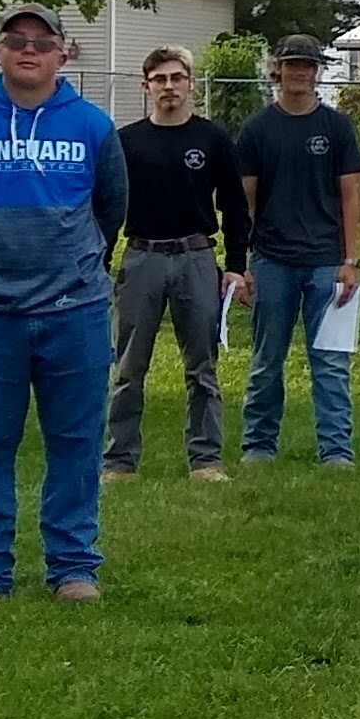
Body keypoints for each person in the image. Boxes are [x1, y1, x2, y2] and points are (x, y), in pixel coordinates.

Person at [0, 2, 126, 600]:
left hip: (76, 313)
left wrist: (77, 267)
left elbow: (111, 209)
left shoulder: (93, 126)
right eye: (16, 41)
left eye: (42, 41)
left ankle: (73, 566)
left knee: (76, 442)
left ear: (63, 52)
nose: (28, 50)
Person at [103, 44, 249, 484]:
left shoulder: (212, 139)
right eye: (160, 79)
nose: (169, 87)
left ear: (190, 84)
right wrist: (100, 261)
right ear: (147, 87)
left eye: (177, 78)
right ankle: (119, 461)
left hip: (197, 258)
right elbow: (108, 206)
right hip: (142, 257)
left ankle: (206, 460)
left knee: (202, 366)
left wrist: (236, 267)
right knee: (129, 367)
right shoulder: (126, 142)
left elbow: (236, 208)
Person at [237, 35, 360, 469]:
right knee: (266, 360)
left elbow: (351, 196)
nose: (299, 73)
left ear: (318, 72)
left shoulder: (337, 128)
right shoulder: (257, 129)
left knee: (330, 363)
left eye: (307, 66)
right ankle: (259, 445)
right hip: (272, 261)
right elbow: (246, 203)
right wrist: (244, 264)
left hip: (327, 264)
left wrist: (351, 261)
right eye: (292, 64)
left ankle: (336, 451)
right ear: (278, 69)